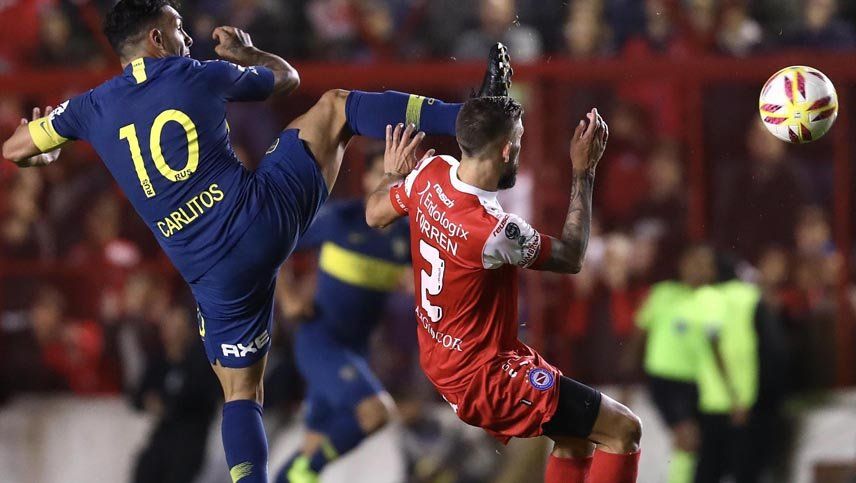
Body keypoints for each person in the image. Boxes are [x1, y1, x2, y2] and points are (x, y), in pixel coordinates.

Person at [1, 0, 511, 480]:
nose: (186, 38)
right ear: (155, 38)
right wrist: (248, 54)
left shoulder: (89, 107)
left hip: (212, 275)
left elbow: (15, 148)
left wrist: (44, 153)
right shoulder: (195, 73)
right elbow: (287, 80)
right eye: (177, 29)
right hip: (261, 218)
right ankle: (471, 118)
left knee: (241, 394)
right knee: (336, 107)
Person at [365, 99, 642, 481]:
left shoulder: (429, 173)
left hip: (446, 359)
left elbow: (374, 213)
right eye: (520, 141)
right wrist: (584, 170)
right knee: (624, 429)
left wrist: (393, 174)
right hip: (485, 376)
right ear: (507, 150)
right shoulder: (494, 231)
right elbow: (571, 257)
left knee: (577, 437)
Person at [273, 151, 411, 482]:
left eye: (402, 178)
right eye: (385, 174)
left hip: (354, 354)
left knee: (312, 445)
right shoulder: (341, 218)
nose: (394, 185)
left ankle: (300, 470)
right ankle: (309, 468)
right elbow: (276, 243)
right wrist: (288, 296)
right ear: (366, 180)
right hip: (320, 343)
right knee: (376, 412)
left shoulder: (407, 237)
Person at [624, 244, 718, 483]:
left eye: (705, 264)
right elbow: (639, 335)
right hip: (665, 380)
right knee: (687, 437)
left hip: (700, 383)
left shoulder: (714, 300)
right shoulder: (662, 294)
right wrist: (627, 379)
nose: (699, 269)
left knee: (699, 444)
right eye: (694, 263)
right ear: (682, 265)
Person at [131, 305, 221, 483]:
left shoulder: (202, 363)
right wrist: (149, 401)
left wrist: (168, 404)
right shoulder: (159, 362)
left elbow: (204, 398)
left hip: (190, 439)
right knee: (146, 468)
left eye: (178, 328)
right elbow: (138, 395)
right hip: (163, 436)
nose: (173, 334)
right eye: (169, 327)